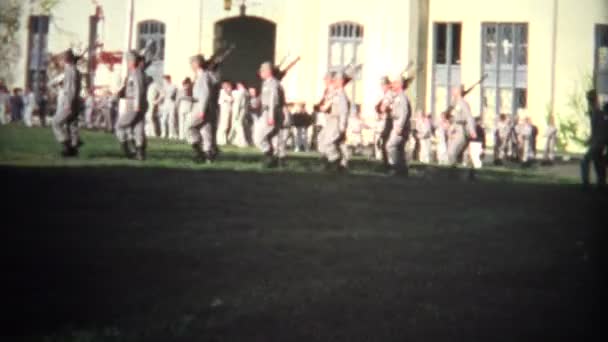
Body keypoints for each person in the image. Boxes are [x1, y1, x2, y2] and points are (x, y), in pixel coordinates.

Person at [115, 50, 148, 160]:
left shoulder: (136, 72)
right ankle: (140, 153)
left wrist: (137, 104)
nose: (127, 62)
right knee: (138, 128)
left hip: (134, 103)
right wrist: (122, 93)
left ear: (133, 61)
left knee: (119, 125)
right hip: (134, 102)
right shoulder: (137, 72)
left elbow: (139, 89)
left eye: (129, 60)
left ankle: (127, 150)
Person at [254, 61, 286, 168]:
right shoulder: (266, 83)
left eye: (262, 71)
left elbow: (274, 100)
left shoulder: (273, 83)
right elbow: (263, 98)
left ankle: (268, 154)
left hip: (271, 112)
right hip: (266, 111)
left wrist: (271, 116)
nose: (260, 73)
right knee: (273, 138)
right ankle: (276, 159)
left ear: (268, 71)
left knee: (258, 137)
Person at [188, 54, 218, 163]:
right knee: (206, 131)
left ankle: (198, 151)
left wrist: (202, 110)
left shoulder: (204, 76)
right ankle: (208, 155)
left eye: (192, 63)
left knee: (189, 126)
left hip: (201, 106)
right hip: (206, 106)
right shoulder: (205, 75)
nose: (191, 66)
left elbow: (205, 93)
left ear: (196, 64)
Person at [51, 49, 82, 157]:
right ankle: (73, 149)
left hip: (69, 102)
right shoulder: (74, 70)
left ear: (65, 60)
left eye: (61, 59)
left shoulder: (70, 71)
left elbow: (71, 89)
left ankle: (66, 144)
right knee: (71, 125)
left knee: (56, 122)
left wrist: (69, 103)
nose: (59, 62)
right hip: (74, 102)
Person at [319, 71, 351, 172]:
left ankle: (335, 161)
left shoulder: (341, 95)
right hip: (331, 120)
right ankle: (338, 163)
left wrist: (342, 126)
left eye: (336, 80)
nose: (334, 82)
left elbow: (344, 112)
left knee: (328, 143)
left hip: (336, 121)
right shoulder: (336, 93)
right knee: (329, 141)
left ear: (341, 81)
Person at [384, 73, 412, 176]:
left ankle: (396, 167)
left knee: (390, 146)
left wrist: (400, 126)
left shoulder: (402, 98)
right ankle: (402, 170)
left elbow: (404, 113)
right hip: (398, 125)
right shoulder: (397, 97)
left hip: (400, 126)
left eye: (395, 83)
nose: (392, 85)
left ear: (400, 84)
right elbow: (397, 112)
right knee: (399, 149)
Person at [581, 90, 608, 190]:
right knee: (598, 163)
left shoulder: (597, 114)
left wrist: (590, 140)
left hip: (598, 142)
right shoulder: (598, 114)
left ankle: (587, 183)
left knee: (586, 161)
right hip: (599, 142)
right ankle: (601, 183)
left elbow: (597, 130)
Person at [447, 85, 476, 165]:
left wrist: (472, 130)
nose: (452, 91)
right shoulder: (454, 102)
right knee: (452, 153)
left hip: (461, 130)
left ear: (459, 91)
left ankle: (453, 171)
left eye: (454, 89)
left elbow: (469, 117)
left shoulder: (462, 103)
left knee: (452, 152)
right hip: (455, 129)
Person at [374, 76, 393, 167]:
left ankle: (388, 164)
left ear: (388, 85)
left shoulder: (389, 94)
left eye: (384, 85)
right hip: (385, 120)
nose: (382, 87)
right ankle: (385, 163)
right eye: (382, 85)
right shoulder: (386, 95)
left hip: (389, 121)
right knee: (383, 143)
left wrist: (380, 109)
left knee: (386, 143)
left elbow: (383, 108)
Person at [230, 81, 248, 147]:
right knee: (238, 125)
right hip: (242, 110)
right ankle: (237, 140)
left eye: (238, 85)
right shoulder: (245, 92)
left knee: (238, 126)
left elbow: (238, 103)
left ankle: (243, 141)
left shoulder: (241, 92)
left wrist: (236, 113)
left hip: (238, 110)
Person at [160, 75, 178, 139]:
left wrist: (164, 94)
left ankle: (172, 134)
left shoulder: (174, 86)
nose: (164, 82)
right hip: (165, 103)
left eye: (165, 80)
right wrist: (157, 101)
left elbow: (171, 95)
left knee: (171, 119)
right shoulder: (164, 87)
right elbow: (162, 96)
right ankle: (163, 133)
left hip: (171, 103)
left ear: (168, 79)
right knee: (163, 119)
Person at [217, 81, 233, 146]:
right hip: (224, 110)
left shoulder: (228, 92)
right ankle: (221, 140)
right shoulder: (222, 92)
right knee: (223, 125)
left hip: (228, 110)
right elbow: (229, 99)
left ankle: (223, 139)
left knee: (226, 125)